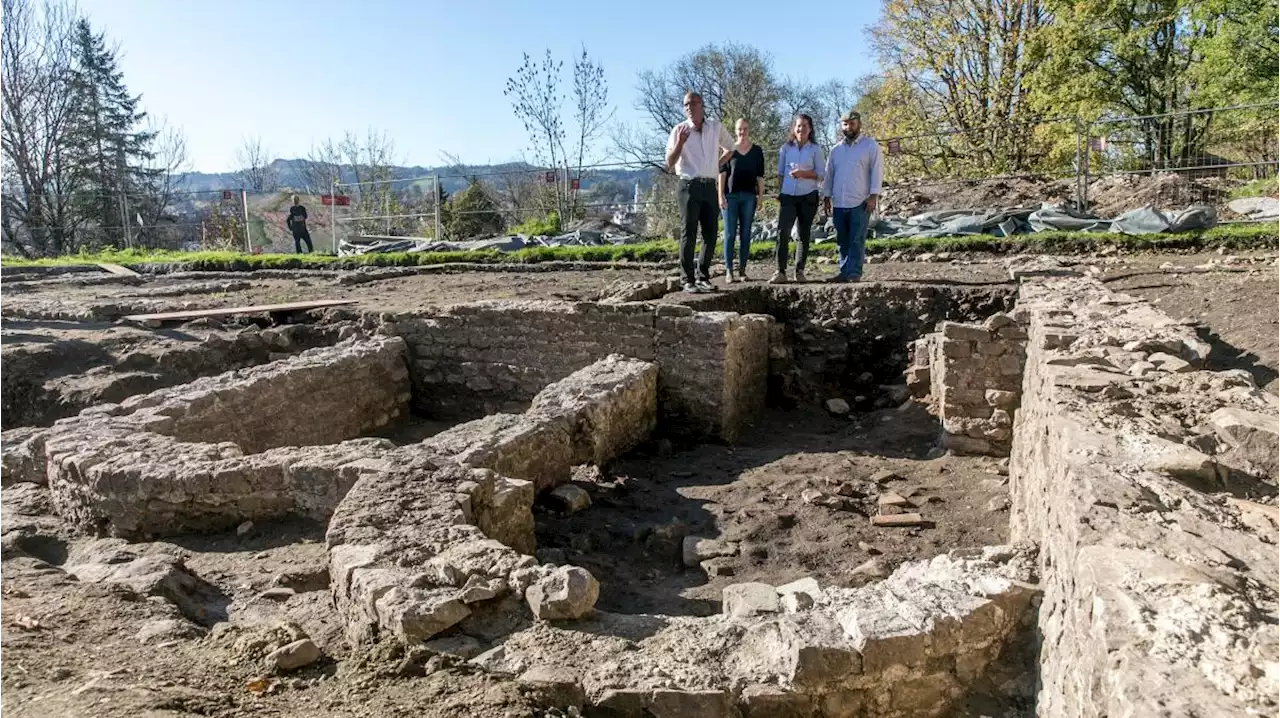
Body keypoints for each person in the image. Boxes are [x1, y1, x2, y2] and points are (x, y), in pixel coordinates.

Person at [666, 91, 735, 293]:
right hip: (689, 186)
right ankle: (687, 278)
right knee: (689, 232)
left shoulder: (714, 127)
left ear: (701, 105)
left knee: (711, 232)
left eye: (693, 103)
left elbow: (730, 148)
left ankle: (703, 275)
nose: (689, 107)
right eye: (686, 104)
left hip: (709, 185)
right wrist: (680, 143)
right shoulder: (679, 130)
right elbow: (669, 163)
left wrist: (716, 164)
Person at [822, 110, 883, 283]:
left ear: (859, 124)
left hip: (860, 201)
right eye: (845, 124)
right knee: (842, 239)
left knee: (856, 239)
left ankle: (854, 273)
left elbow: (877, 172)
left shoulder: (870, 146)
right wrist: (826, 197)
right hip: (840, 202)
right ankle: (844, 272)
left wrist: (873, 196)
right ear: (841, 126)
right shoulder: (836, 150)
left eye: (852, 123)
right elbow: (829, 175)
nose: (849, 127)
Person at [773, 114, 824, 284]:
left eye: (805, 126)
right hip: (788, 196)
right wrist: (780, 192)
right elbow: (780, 173)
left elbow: (821, 174)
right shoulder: (785, 149)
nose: (801, 129)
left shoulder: (815, 150)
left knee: (803, 234)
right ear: (794, 129)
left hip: (808, 196)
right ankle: (780, 271)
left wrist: (803, 174)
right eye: (798, 126)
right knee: (783, 233)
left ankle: (799, 271)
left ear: (810, 129)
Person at [718, 118, 764, 284]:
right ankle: (729, 271)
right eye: (739, 129)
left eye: (745, 129)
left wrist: (761, 197)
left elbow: (760, 176)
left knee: (746, 233)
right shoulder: (729, 150)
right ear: (735, 130)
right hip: (730, 196)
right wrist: (720, 195)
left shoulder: (757, 151)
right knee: (730, 234)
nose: (742, 132)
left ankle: (742, 270)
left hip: (749, 197)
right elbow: (722, 174)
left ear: (749, 130)